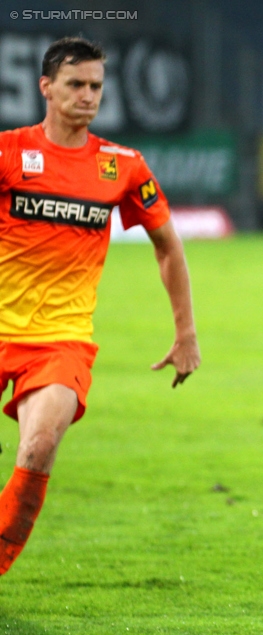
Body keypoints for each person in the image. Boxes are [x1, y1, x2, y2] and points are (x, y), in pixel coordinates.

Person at [0, 37, 200, 576]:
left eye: (96, 86)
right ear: (45, 87)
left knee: (39, 448)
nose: (88, 96)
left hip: (62, 341)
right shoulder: (8, 152)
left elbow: (168, 246)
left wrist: (186, 333)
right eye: (76, 85)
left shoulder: (122, 166)